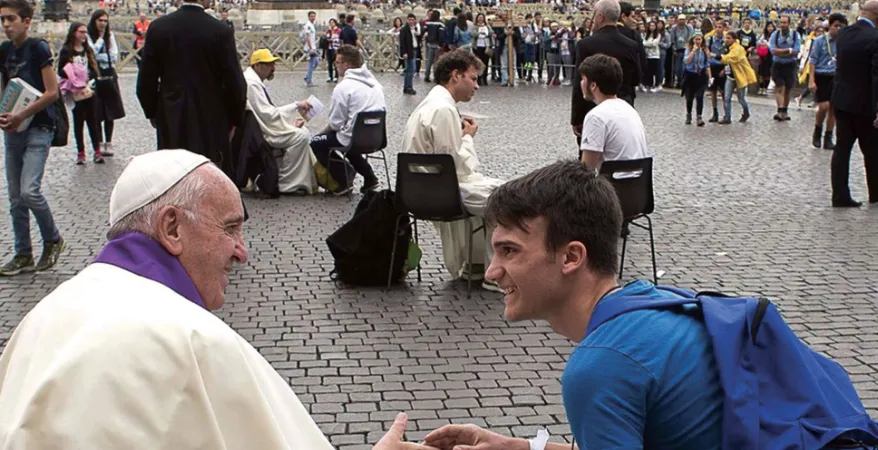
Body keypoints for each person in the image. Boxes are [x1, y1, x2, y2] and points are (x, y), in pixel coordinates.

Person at [0, 150, 436, 450]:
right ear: (171, 228)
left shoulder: (45, 314)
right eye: (229, 229)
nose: (242, 251)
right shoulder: (188, 337)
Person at [423, 160, 723, 450]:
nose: (492, 271)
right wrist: (519, 447)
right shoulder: (658, 304)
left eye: (509, 251)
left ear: (571, 257)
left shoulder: (600, 366)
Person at [401, 50, 503, 292]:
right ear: (455, 75)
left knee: (500, 190)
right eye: (473, 78)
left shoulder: (432, 104)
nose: (477, 86)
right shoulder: (444, 109)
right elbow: (455, 165)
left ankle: (475, 263)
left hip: (419, 189)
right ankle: (494, 272)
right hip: (440, 193)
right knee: (506, 199)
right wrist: (468, 138)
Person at [136, 0, 246, 174]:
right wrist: (234, 118)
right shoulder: (220, 30)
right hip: (211, 113)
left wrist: (153, 111)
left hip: (171, 111)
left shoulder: (159, 27)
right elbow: (235, 82)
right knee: (209, 173)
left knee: (173, 175)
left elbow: (145, 80)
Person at [0, 0, 66, 276]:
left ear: (26, 21)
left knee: (29, 190)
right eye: (2, 20)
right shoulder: (3, 51)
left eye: (11, 19)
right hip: (13, 128)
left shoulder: (38, 48)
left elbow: (52, 92)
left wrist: (22, 113)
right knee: (15, 197)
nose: (5, 25)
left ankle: (52, 239)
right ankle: (23, 253)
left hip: (39, 127)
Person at [309, 44, 384, 195]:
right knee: (350, 137)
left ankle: (344, 178)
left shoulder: (344, 87)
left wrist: (320, 134)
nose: (335, 65)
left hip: (353, 138)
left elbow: (336, 123)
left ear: (346, 65)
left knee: (317, 142)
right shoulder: (376, 84)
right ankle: (369, 177)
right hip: (376, 137)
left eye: (337, 62)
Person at [244, 49, 317, 194]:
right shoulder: (252, 84)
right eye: (269, 64)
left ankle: (290, 180)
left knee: (301, 132)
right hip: (261, 132)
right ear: (257, 66)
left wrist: (288, 123)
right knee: (301, 136)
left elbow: (266, 113)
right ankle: (287, 184)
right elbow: (268, 115)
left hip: (260, 127)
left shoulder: (253, 81)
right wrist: (296, 105)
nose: (273, 68)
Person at [571, 0, 640, 148]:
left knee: (589, 157)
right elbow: (636, 79)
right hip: (624, 106)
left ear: (600, 17)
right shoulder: (631, 45)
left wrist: (576, 118)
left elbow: (579, 83)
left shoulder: (585, 45)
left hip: (592, 107)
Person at [831, 0, 878, 207]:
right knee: (872, 151)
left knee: (842, 149)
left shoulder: (844, 34)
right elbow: (876, 76)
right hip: (865, 104)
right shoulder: (875, 38)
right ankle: (875, 193)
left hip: (841, 100)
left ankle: (840, 195)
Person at [578, 54, 651, 170]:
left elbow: (587, 169)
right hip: (638, 185)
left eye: (583, 79)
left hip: (611, 185)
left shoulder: (596, 117)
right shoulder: (629, 110)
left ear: (593, 85)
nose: (580, 83)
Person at [58, 22, 103, 165]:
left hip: (89, 89)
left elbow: (93, 67)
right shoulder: (67, 50)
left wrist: (93, 80)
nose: (84, 35)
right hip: (75, 91)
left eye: (85, 32)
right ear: (74, 33)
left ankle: (97, 150)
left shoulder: (87, 49)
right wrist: (73, 72)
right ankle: (80, 152)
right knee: (78, 122)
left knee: (93, 121)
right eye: (81, 32)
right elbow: (60, 70)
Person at [88, 9, 125, 158]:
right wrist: (101, 41)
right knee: (96, 110)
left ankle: (108, 142)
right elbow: (92, 53)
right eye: (100, 21)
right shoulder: (90, 36)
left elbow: (114, 55)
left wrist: (101, 55)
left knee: (110, 110)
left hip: (109, 75)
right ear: (94, 21)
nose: (103, 24)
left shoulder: (111, 35)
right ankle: (99, 142)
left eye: (105, 21)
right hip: (95, 75)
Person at [809, 13, 847, 150]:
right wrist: (811, 80)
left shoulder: (844, 42)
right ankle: (817, 129)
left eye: (841, 26)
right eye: (836, 26)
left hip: (836, 76)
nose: (838, 29)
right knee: (824, 106)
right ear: (830, 26)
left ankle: (828, 136)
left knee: (833, 108)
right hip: (822, 75)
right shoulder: (819, 41)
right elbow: (812, 61)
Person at [717, 30, 756, 124]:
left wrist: (715, 56)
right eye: (726, 37)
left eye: (729, 38)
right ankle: (727, 117)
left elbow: (730, 58)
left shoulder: (738, 49)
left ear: (734, 39)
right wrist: (724, 69)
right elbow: (728, 61)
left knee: (741, 99)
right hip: (730, 76)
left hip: (740, 76)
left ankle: (746, 113)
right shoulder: (727, 47)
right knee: (727, 97)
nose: (726, 40)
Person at [769, 16, 802, 121]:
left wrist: (781, 52)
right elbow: (773, 50)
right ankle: (779, 110)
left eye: (784, 22)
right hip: (777, 64)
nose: (782, 25)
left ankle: (785, 110)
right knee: (779, 87)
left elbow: (796, 51)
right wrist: (788, 50)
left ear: (789, 23)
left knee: (787, 89)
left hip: (790, 65)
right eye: (781, 22)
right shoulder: (775, 34)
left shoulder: (795, 35)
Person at [681, 32, 711, 126]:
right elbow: (686, 61)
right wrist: (693, 52)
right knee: (689, 97)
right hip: (690, 75)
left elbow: (707, 64)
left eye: (699, 39)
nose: (697, 41)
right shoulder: (688, 49)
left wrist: (710, 77)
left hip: (700, 75)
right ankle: (689, 115)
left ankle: (699, 116)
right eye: (696, 39)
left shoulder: (704, 51)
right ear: (693, 40)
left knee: (700, 96)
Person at [399, 13, 420, 95]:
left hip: (414, 50)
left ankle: (407, 86)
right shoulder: (404, 29)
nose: (411, 21)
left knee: (411, 69)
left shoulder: (415, 29)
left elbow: (418, 37)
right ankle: (408, 87)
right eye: (409, 20)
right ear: (407, 20)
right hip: (408, 51)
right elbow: (402, 42)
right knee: (410, 70)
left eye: (412, 20)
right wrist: (404, 52)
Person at [302, 10, 318, 87]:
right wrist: (311, 48)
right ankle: (309, 81)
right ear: (309, 17)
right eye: (312, 16)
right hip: (310, 47)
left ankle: (307, 76)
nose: (313, 17)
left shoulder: (312, 25)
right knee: (311, 64)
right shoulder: (308, 25)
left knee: (317, 62)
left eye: (314, 16)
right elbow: (307, 37)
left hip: (313, 47)